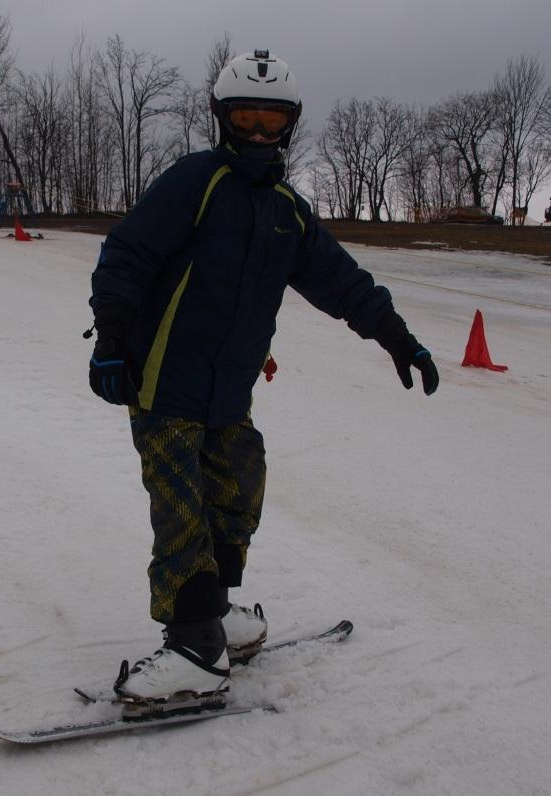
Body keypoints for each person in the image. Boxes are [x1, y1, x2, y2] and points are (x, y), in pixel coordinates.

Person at [88, 49, 439, 710]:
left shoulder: (286, 209)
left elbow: (343, 283)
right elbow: (126, 254)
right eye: (243, 116)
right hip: (164, 382)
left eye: (269, 118)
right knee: (180, 511)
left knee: (237, 493)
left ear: (288, 124)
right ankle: (194, 646)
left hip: (227, 393)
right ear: (220, 117)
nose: (255, 131)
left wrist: (396, 337)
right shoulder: (194, 182)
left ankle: (214, 613)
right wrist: (111, 336)